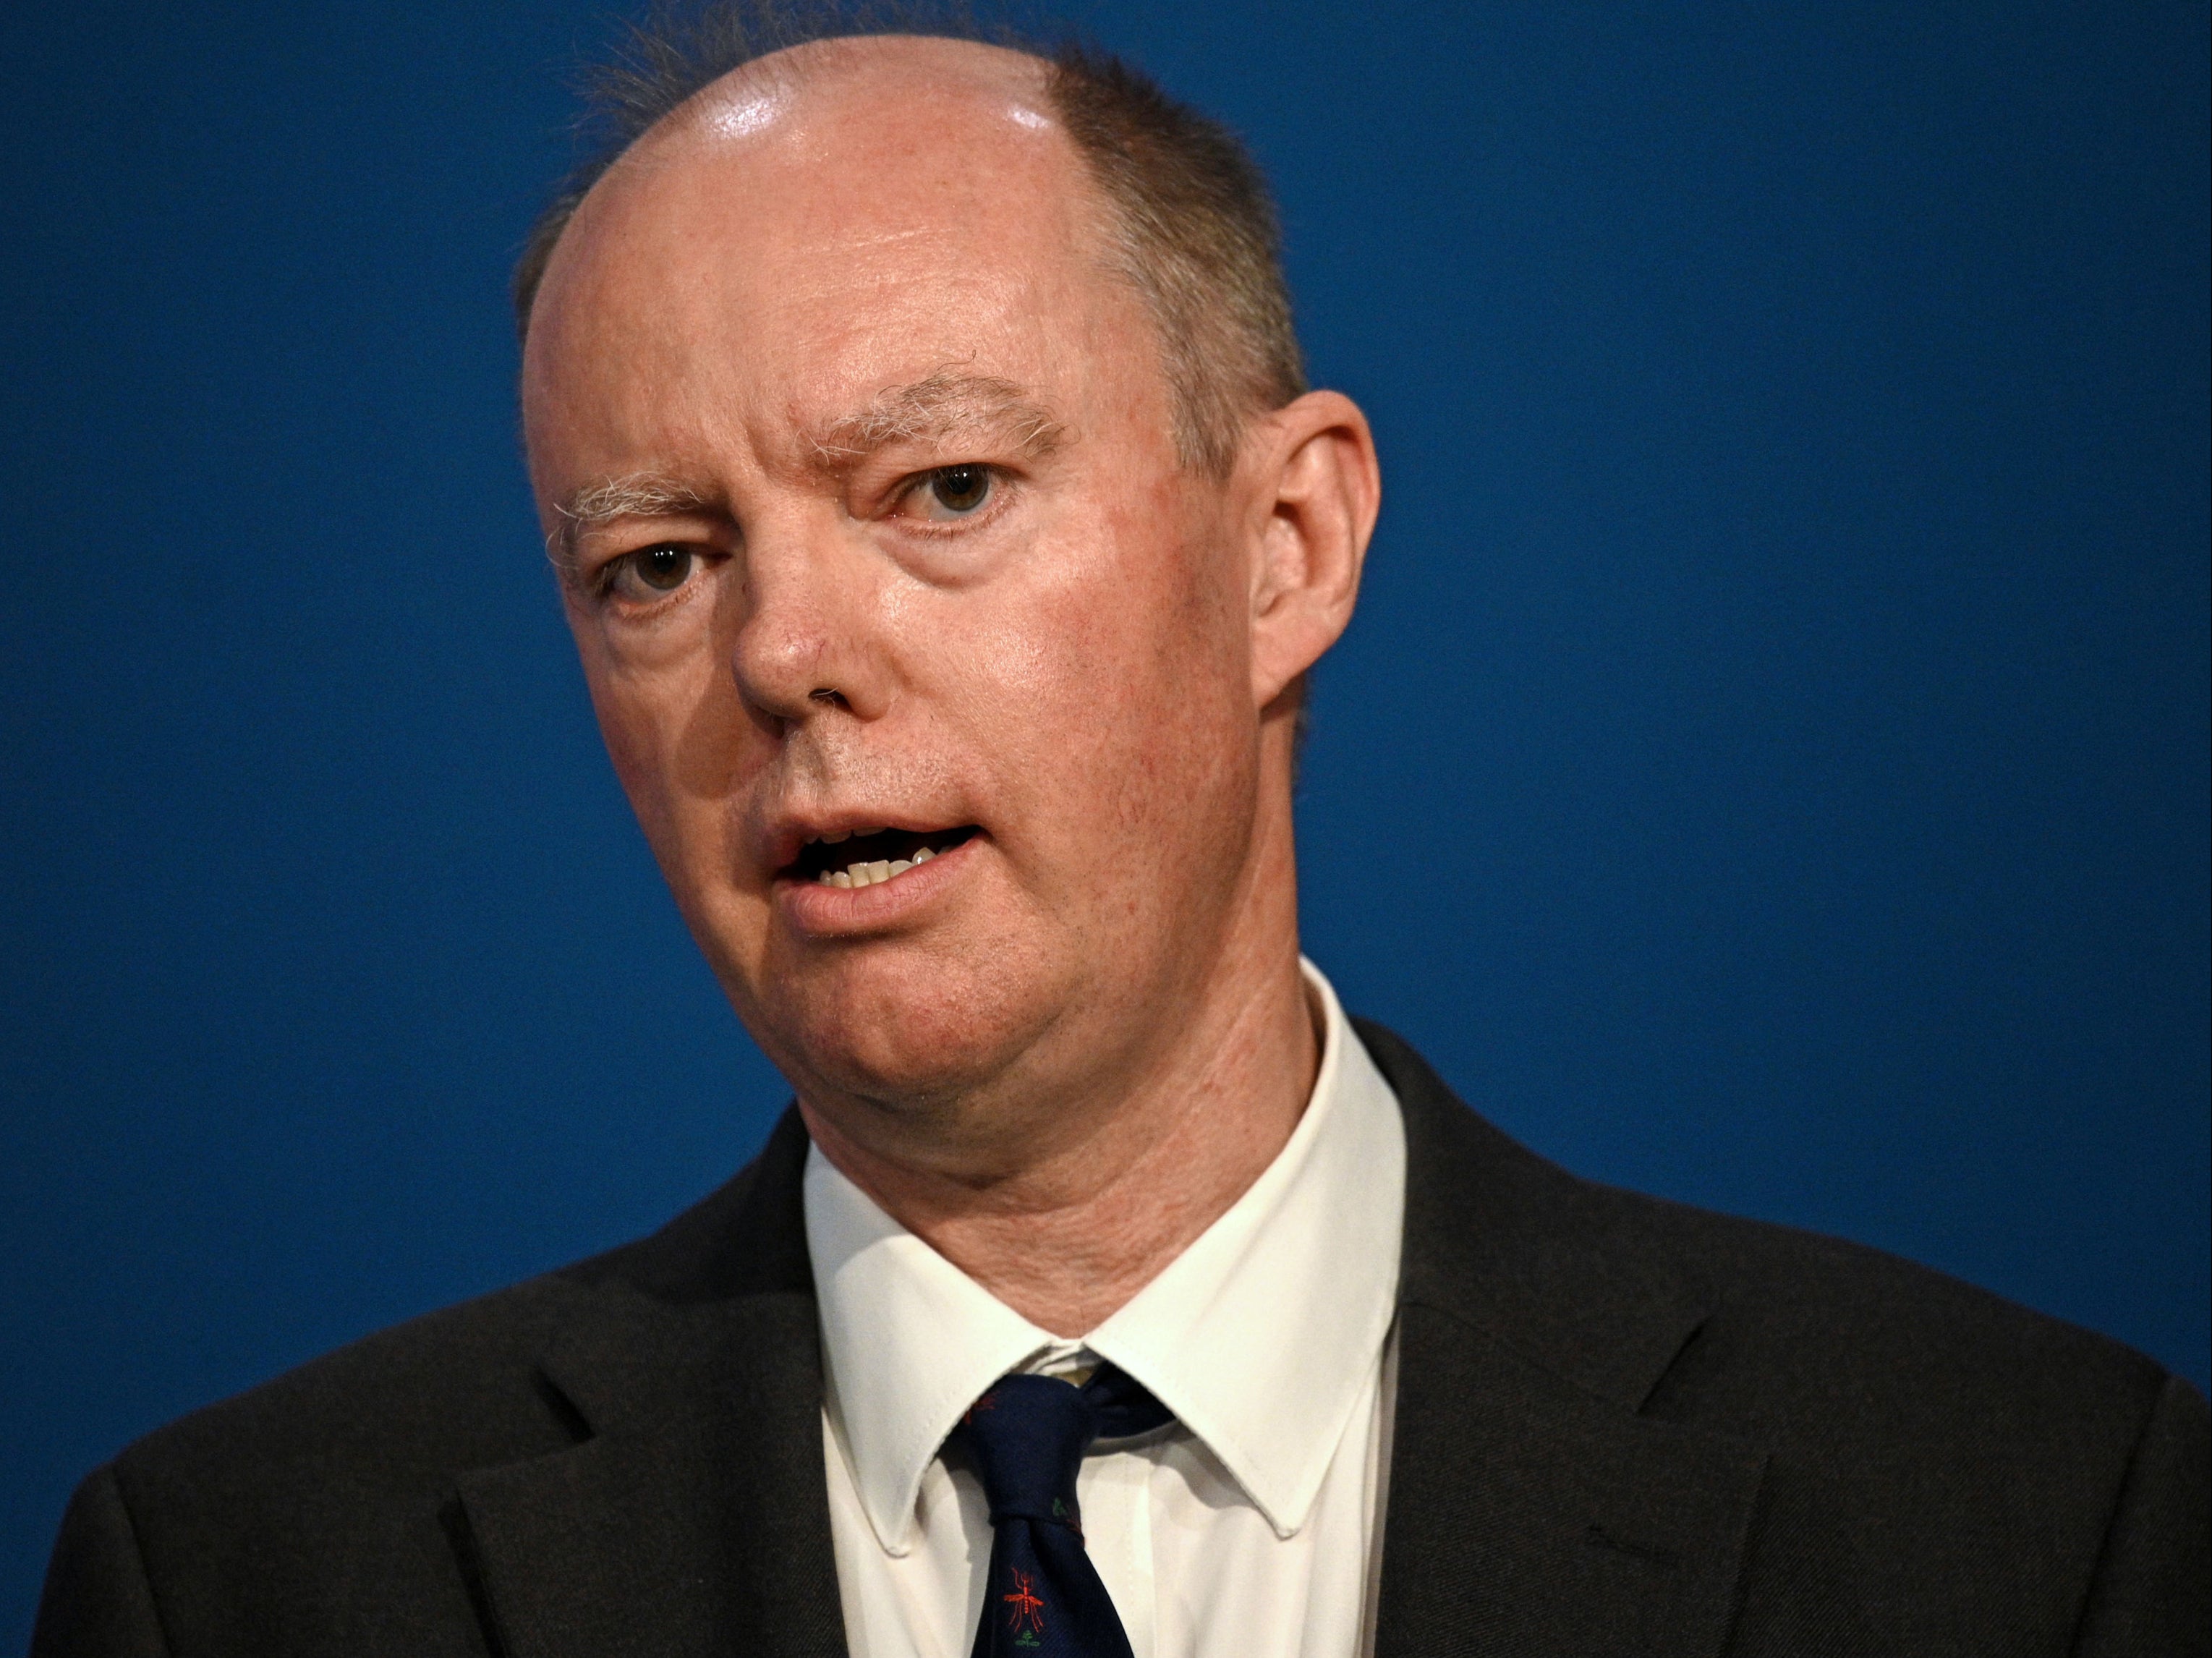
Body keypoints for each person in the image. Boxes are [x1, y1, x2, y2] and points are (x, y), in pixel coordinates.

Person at [31, 11, 2207, 1657]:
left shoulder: (2030, 1521)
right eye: (659, 561)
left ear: (1285, 545)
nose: (784, 648)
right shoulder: (243, 1579)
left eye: (941, 491)